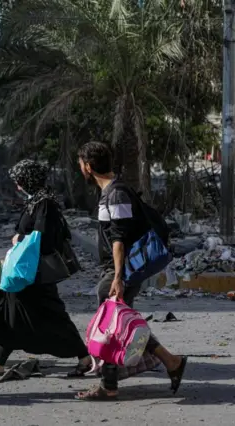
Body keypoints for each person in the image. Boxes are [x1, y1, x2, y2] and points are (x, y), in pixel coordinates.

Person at [75, 141, 187, 401]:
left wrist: (116, 277)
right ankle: (170, 362)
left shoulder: (116, 194)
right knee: (117, 325)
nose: (80, 168)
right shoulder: (111, 192)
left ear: (88, 167)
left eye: (81, 164)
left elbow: (119, 238)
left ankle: (110, 384)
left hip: (120, 271)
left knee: (112, 326)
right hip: (117, 270)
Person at [0, 159, 92, 377]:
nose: (18, 186)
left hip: (36, 274)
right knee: (12, 313)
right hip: (28, 274)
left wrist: (20, 238)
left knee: (53, 315)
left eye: (19, 181)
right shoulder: (37, 201)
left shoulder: (45, 204)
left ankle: (84, 357)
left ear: (28, 181)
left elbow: (43, 238)